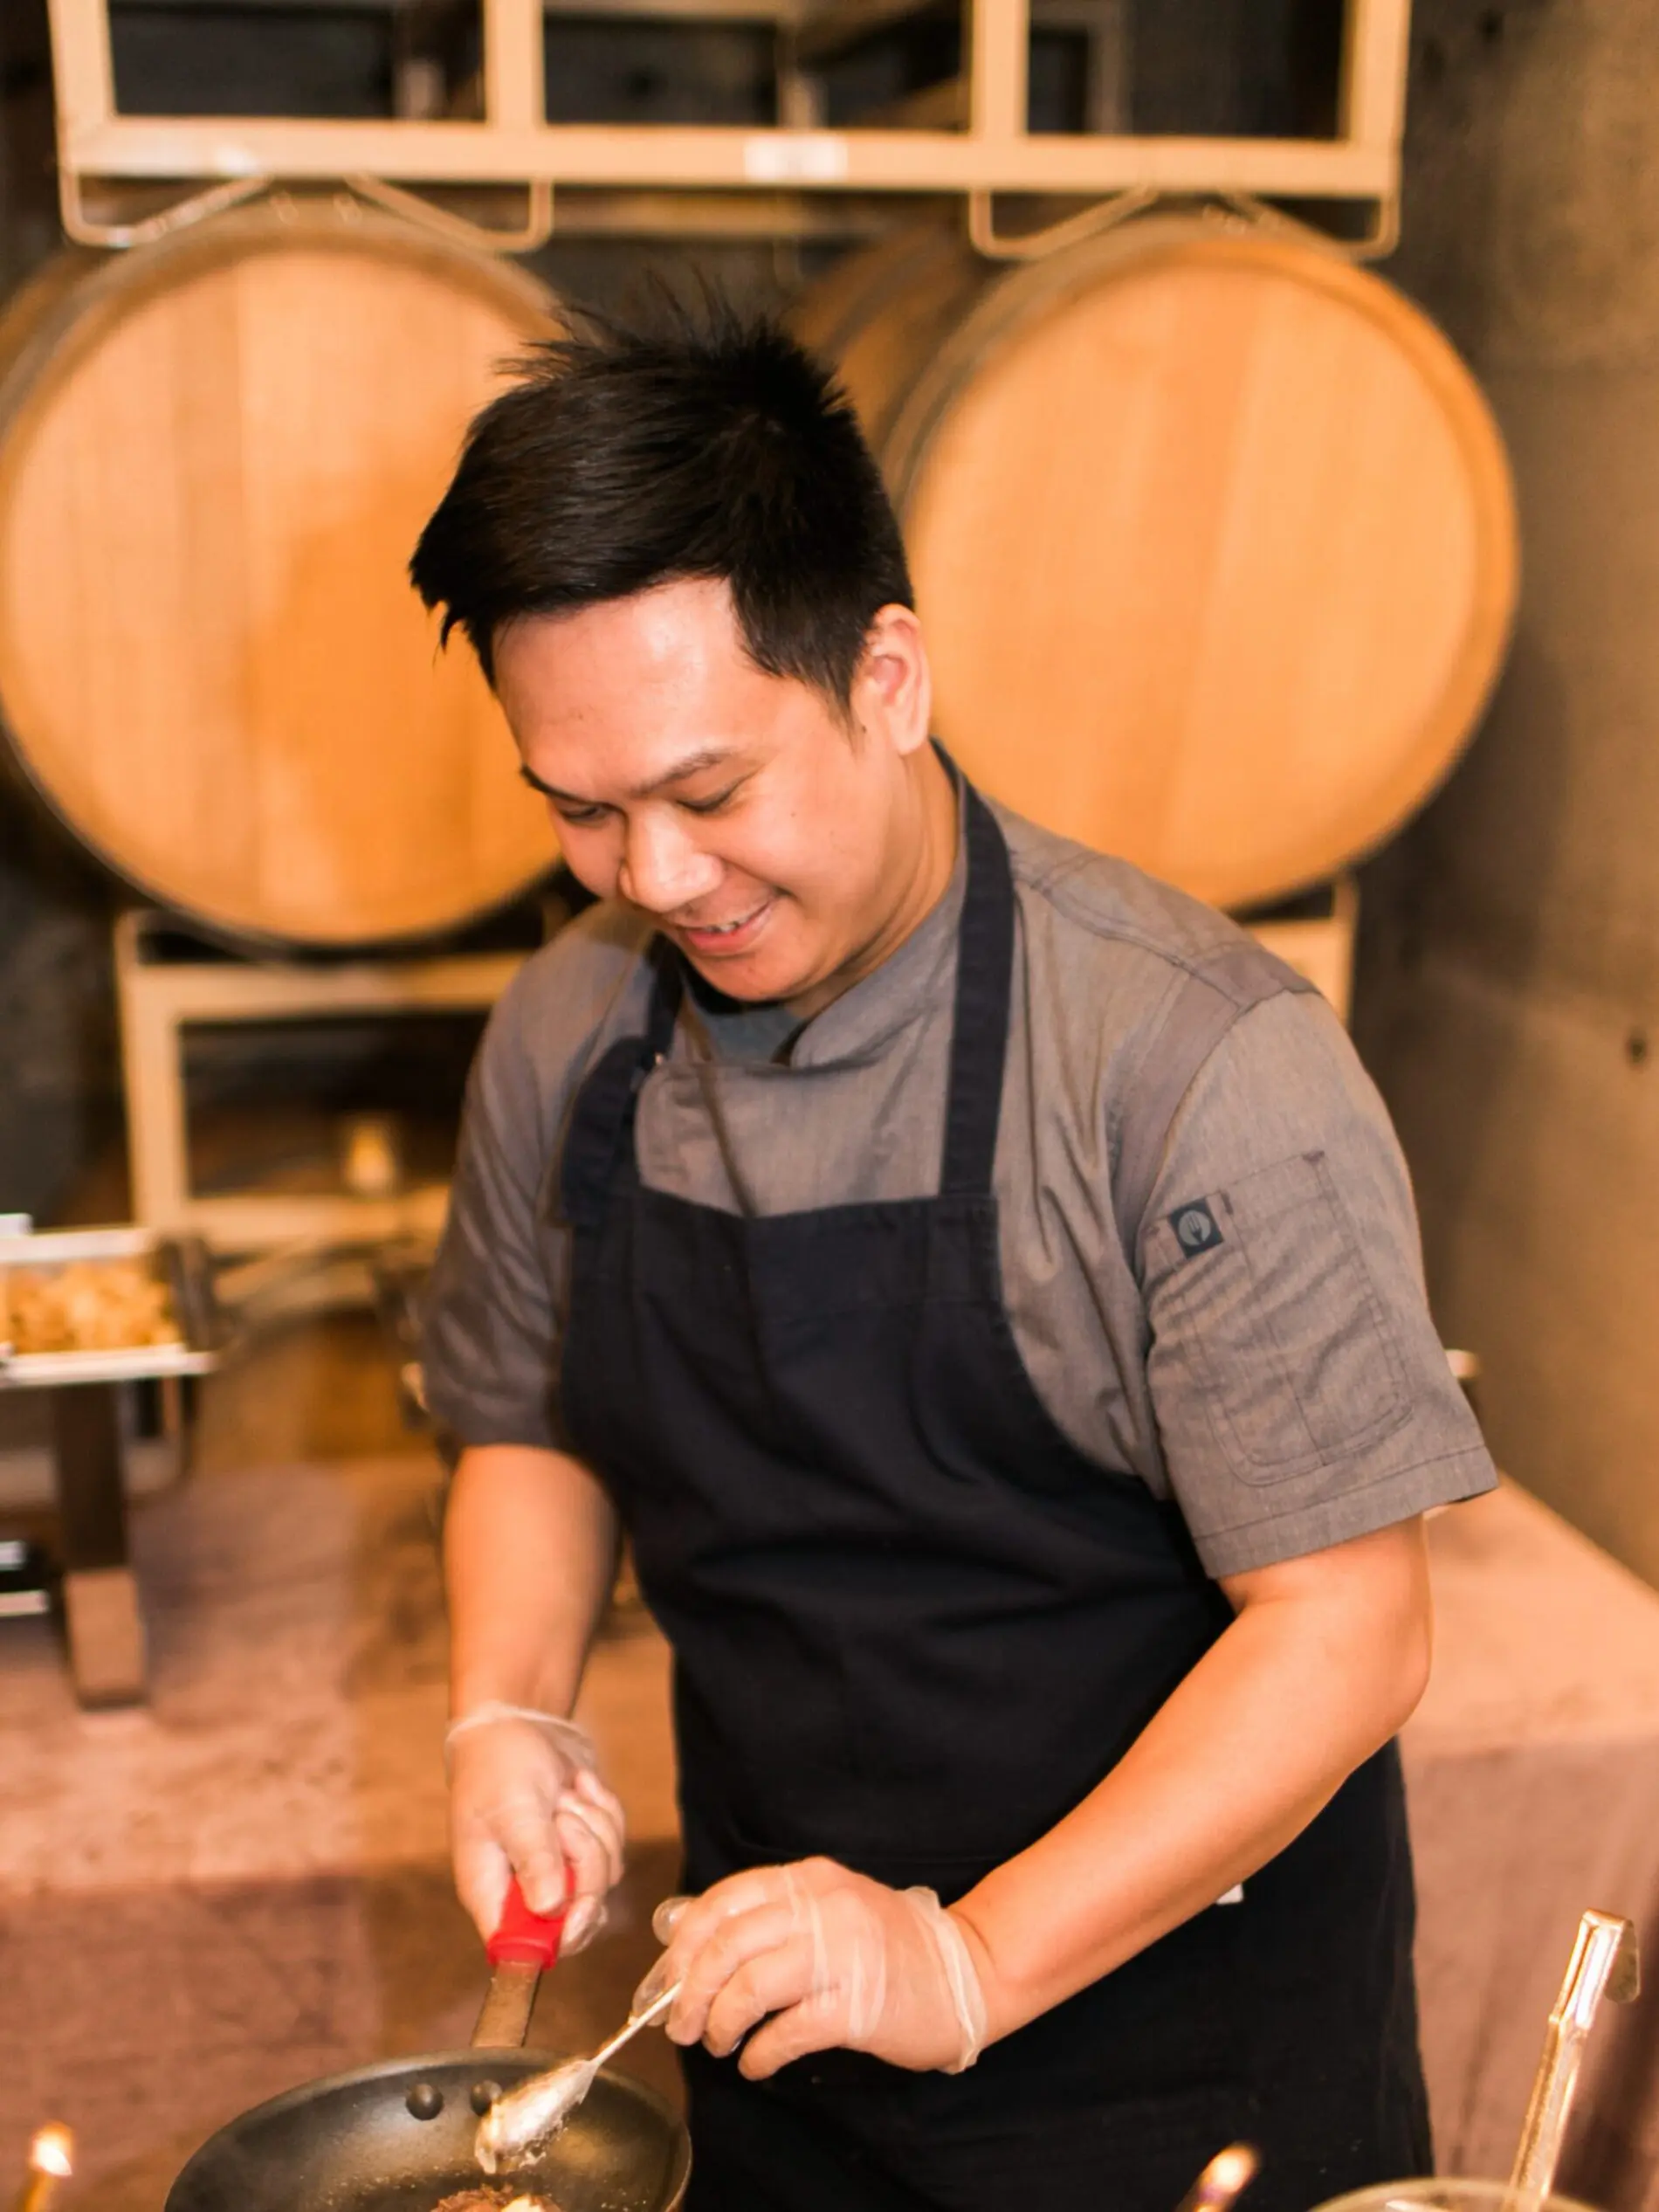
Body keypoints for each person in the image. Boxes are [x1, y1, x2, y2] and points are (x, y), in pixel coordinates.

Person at [411, 303, 1496, 2212]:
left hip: (1174, 2071)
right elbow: (530, 1420)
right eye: (580, 812)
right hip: (772, 2019)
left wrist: (966, 1959)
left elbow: (1347, 1627)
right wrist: (513, 1706)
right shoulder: (567, 1035)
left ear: (887, 676)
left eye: (710, 793)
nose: (653, 879)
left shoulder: (1192, 1065)